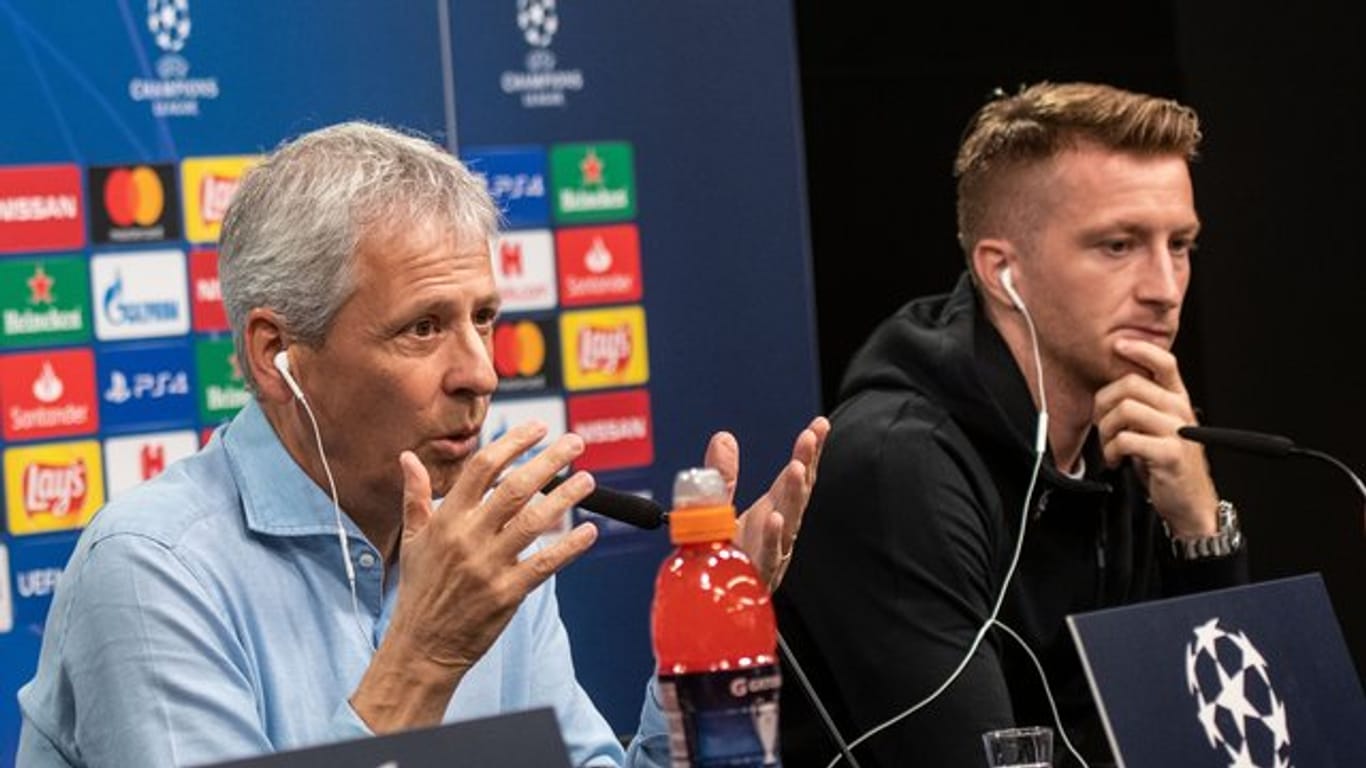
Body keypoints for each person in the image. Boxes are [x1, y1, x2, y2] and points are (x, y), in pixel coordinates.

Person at [16, 120, 829, 768]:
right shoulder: (152, 566)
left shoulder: (483, 538)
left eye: (484, 319)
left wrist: (713, 658)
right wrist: (426, 657)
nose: (480, 372)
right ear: (277, 355)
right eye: (423, 328)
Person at [773, 81, 1248, 767]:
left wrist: (1199, 526)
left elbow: (1233, 739)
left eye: (1180, 245)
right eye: (1118, 246)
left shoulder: (1138, 433)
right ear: (1003, 273)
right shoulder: (898, 466)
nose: (1164, 287)